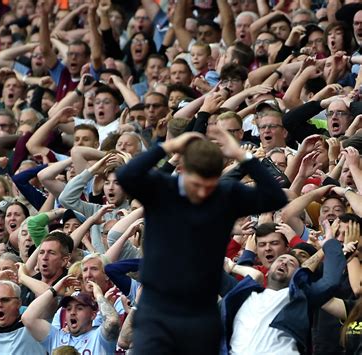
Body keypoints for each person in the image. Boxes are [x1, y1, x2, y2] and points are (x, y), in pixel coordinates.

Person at [115, 127, 288, 353]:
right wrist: (168, 147)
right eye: (197, 185)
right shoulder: (161, 188)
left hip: (201, 312)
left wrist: (241, 155)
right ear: (183, 169)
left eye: (209, 186)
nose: (203, 193)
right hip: (157, 310)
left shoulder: (225, 195)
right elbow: (125, 175)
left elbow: (275, 196)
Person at [22, 275, 120, 354]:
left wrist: (98, 295)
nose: (72, 312)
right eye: (68, 309)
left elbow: (112, 321)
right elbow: (28, 318)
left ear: (93, 315)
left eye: (79, 308)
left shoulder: (100, 337)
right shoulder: (56, 337)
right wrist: (54, 290)